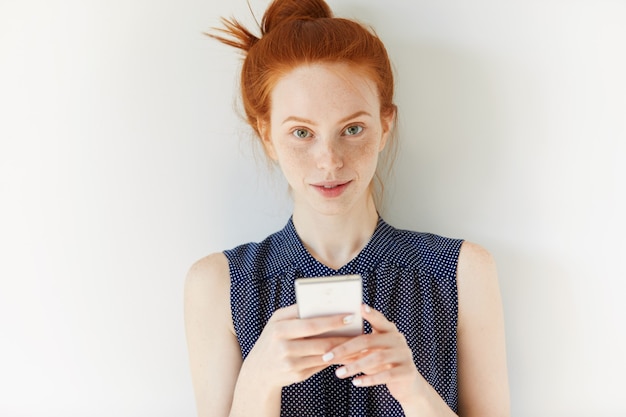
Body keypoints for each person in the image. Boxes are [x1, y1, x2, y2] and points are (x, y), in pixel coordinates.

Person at [184, 0, 510, 416]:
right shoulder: (218, 285)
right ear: (267, 136)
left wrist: (413, 391)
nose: (329, 160)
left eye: (352, 129)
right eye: (301, 132)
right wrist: (258, 381)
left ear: (384, 126)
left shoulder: (463, 272)